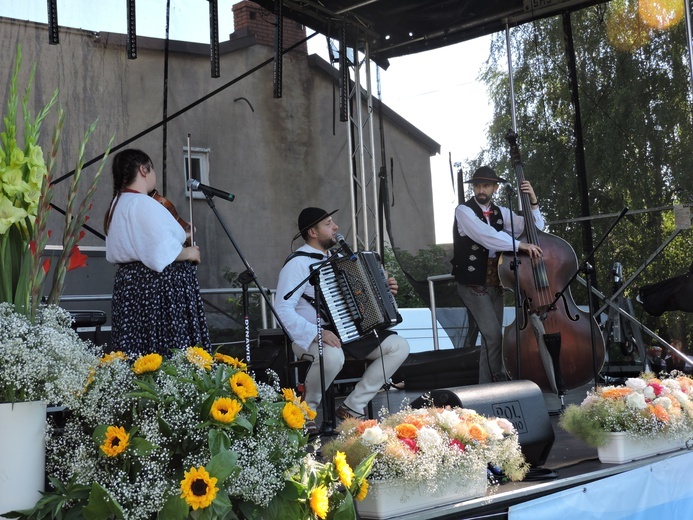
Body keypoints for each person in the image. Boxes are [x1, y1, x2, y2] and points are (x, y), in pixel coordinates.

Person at [275, 207, 409, 432]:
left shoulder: (340, 260)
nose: (336, 227)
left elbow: (360, 296)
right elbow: (282, 308)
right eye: (328, 224)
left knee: (399, 346)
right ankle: (306, 411)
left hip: (348, 332)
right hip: (309, 335)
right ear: (313, 232)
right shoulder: (297, 264)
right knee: (333, 356)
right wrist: (317, 332)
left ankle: (352, 407)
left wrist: (384, 290)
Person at [104, 148, 210, 357]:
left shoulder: (116, 204)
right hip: (156, 288)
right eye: (151, 170)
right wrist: (187, 253)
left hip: (130, 286)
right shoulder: (142, 203)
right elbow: (159, 252)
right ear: (143, 170)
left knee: (137, 347)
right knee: (165, 348)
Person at [451, 166, 544, 384]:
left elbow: (535, 228)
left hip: (496, 284)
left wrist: (533, 202)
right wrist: (520, 245)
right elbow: (486, 236)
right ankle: (500, 383)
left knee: (491, 340)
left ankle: (486, 389)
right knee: (493, 336)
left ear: (495, 187)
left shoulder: (502, 213)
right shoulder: (463, 211)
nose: (480, 190)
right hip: (472, 284)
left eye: (485, 185)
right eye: (477, 185)